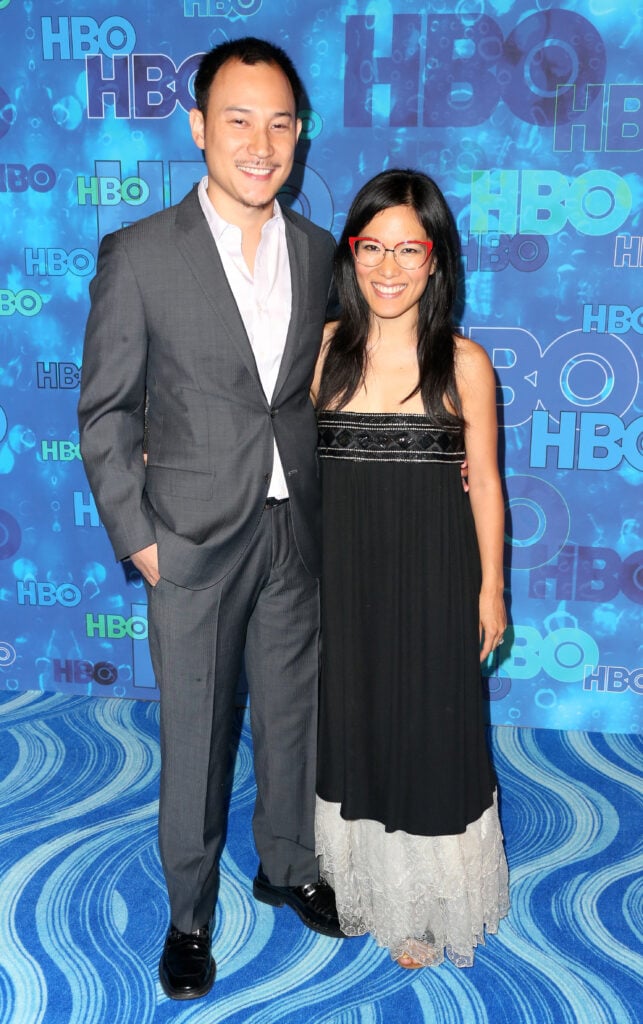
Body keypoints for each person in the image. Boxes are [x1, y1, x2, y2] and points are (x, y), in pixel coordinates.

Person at [78, 37, 342, 1002]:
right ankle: (189, 917)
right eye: (238, 119)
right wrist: (140, 539)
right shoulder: (141, 255)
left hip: (293, 533)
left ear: (299, 132)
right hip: (189, 539)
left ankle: (286, 865)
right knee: (195, 735)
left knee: (291, 719)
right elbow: (104, 412)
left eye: (278, 121)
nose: (260, 141)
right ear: (198, 128)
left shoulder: (320, 252)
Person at [312, 169, 510, 969]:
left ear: (435, 260)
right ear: (350, 252)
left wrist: (490, 587)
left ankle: (428, 901)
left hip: (433, 576)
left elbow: (487, 482)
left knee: (429, 727)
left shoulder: (465, 363)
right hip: (341, 576)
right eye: (372, 247)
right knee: (353, 723)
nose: (387, 268)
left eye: (408, 249)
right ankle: (360, 886)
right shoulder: (320, 348)